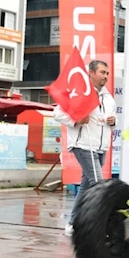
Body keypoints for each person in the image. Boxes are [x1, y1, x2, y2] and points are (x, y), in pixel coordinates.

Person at [53, 60, 116, 236]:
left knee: (86, 186)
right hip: (83, 145)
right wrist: (76, 120)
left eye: (107, 73)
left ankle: (72, 224)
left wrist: (113, 121)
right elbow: (57, 113)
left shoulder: (108, 97)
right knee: (98, 185)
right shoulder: (79, 92)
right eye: (102, 72)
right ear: (91, 73)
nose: (105, 76)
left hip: (100, 146)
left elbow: (110, 118)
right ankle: (103, 226)